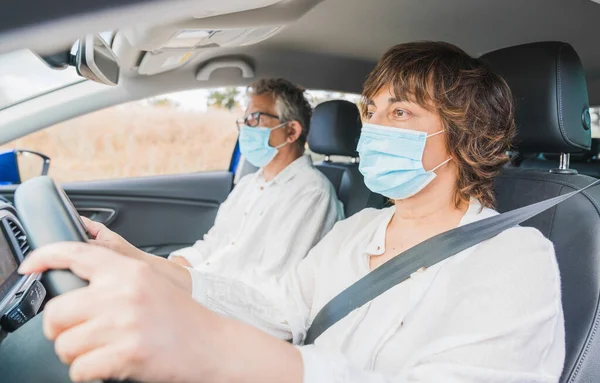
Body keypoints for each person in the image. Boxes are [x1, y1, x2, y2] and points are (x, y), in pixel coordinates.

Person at [20, 41, 564, 383]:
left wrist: (217, 352)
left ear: (464, 136)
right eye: (371, 111)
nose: (373, 128)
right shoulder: (360, 229)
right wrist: (140, 263)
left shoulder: (515, 257)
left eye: (401, 111)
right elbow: (279, 307)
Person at [85, 78, 343, 285]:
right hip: (204, 290)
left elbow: (270, 287)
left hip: (226, 314)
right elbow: (213, 246)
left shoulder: (311, 194)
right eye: (244, 120)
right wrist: (157, 268)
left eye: (255, 118)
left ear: (292, 131)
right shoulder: (250, 184)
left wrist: (177, 282)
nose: (246, 128)